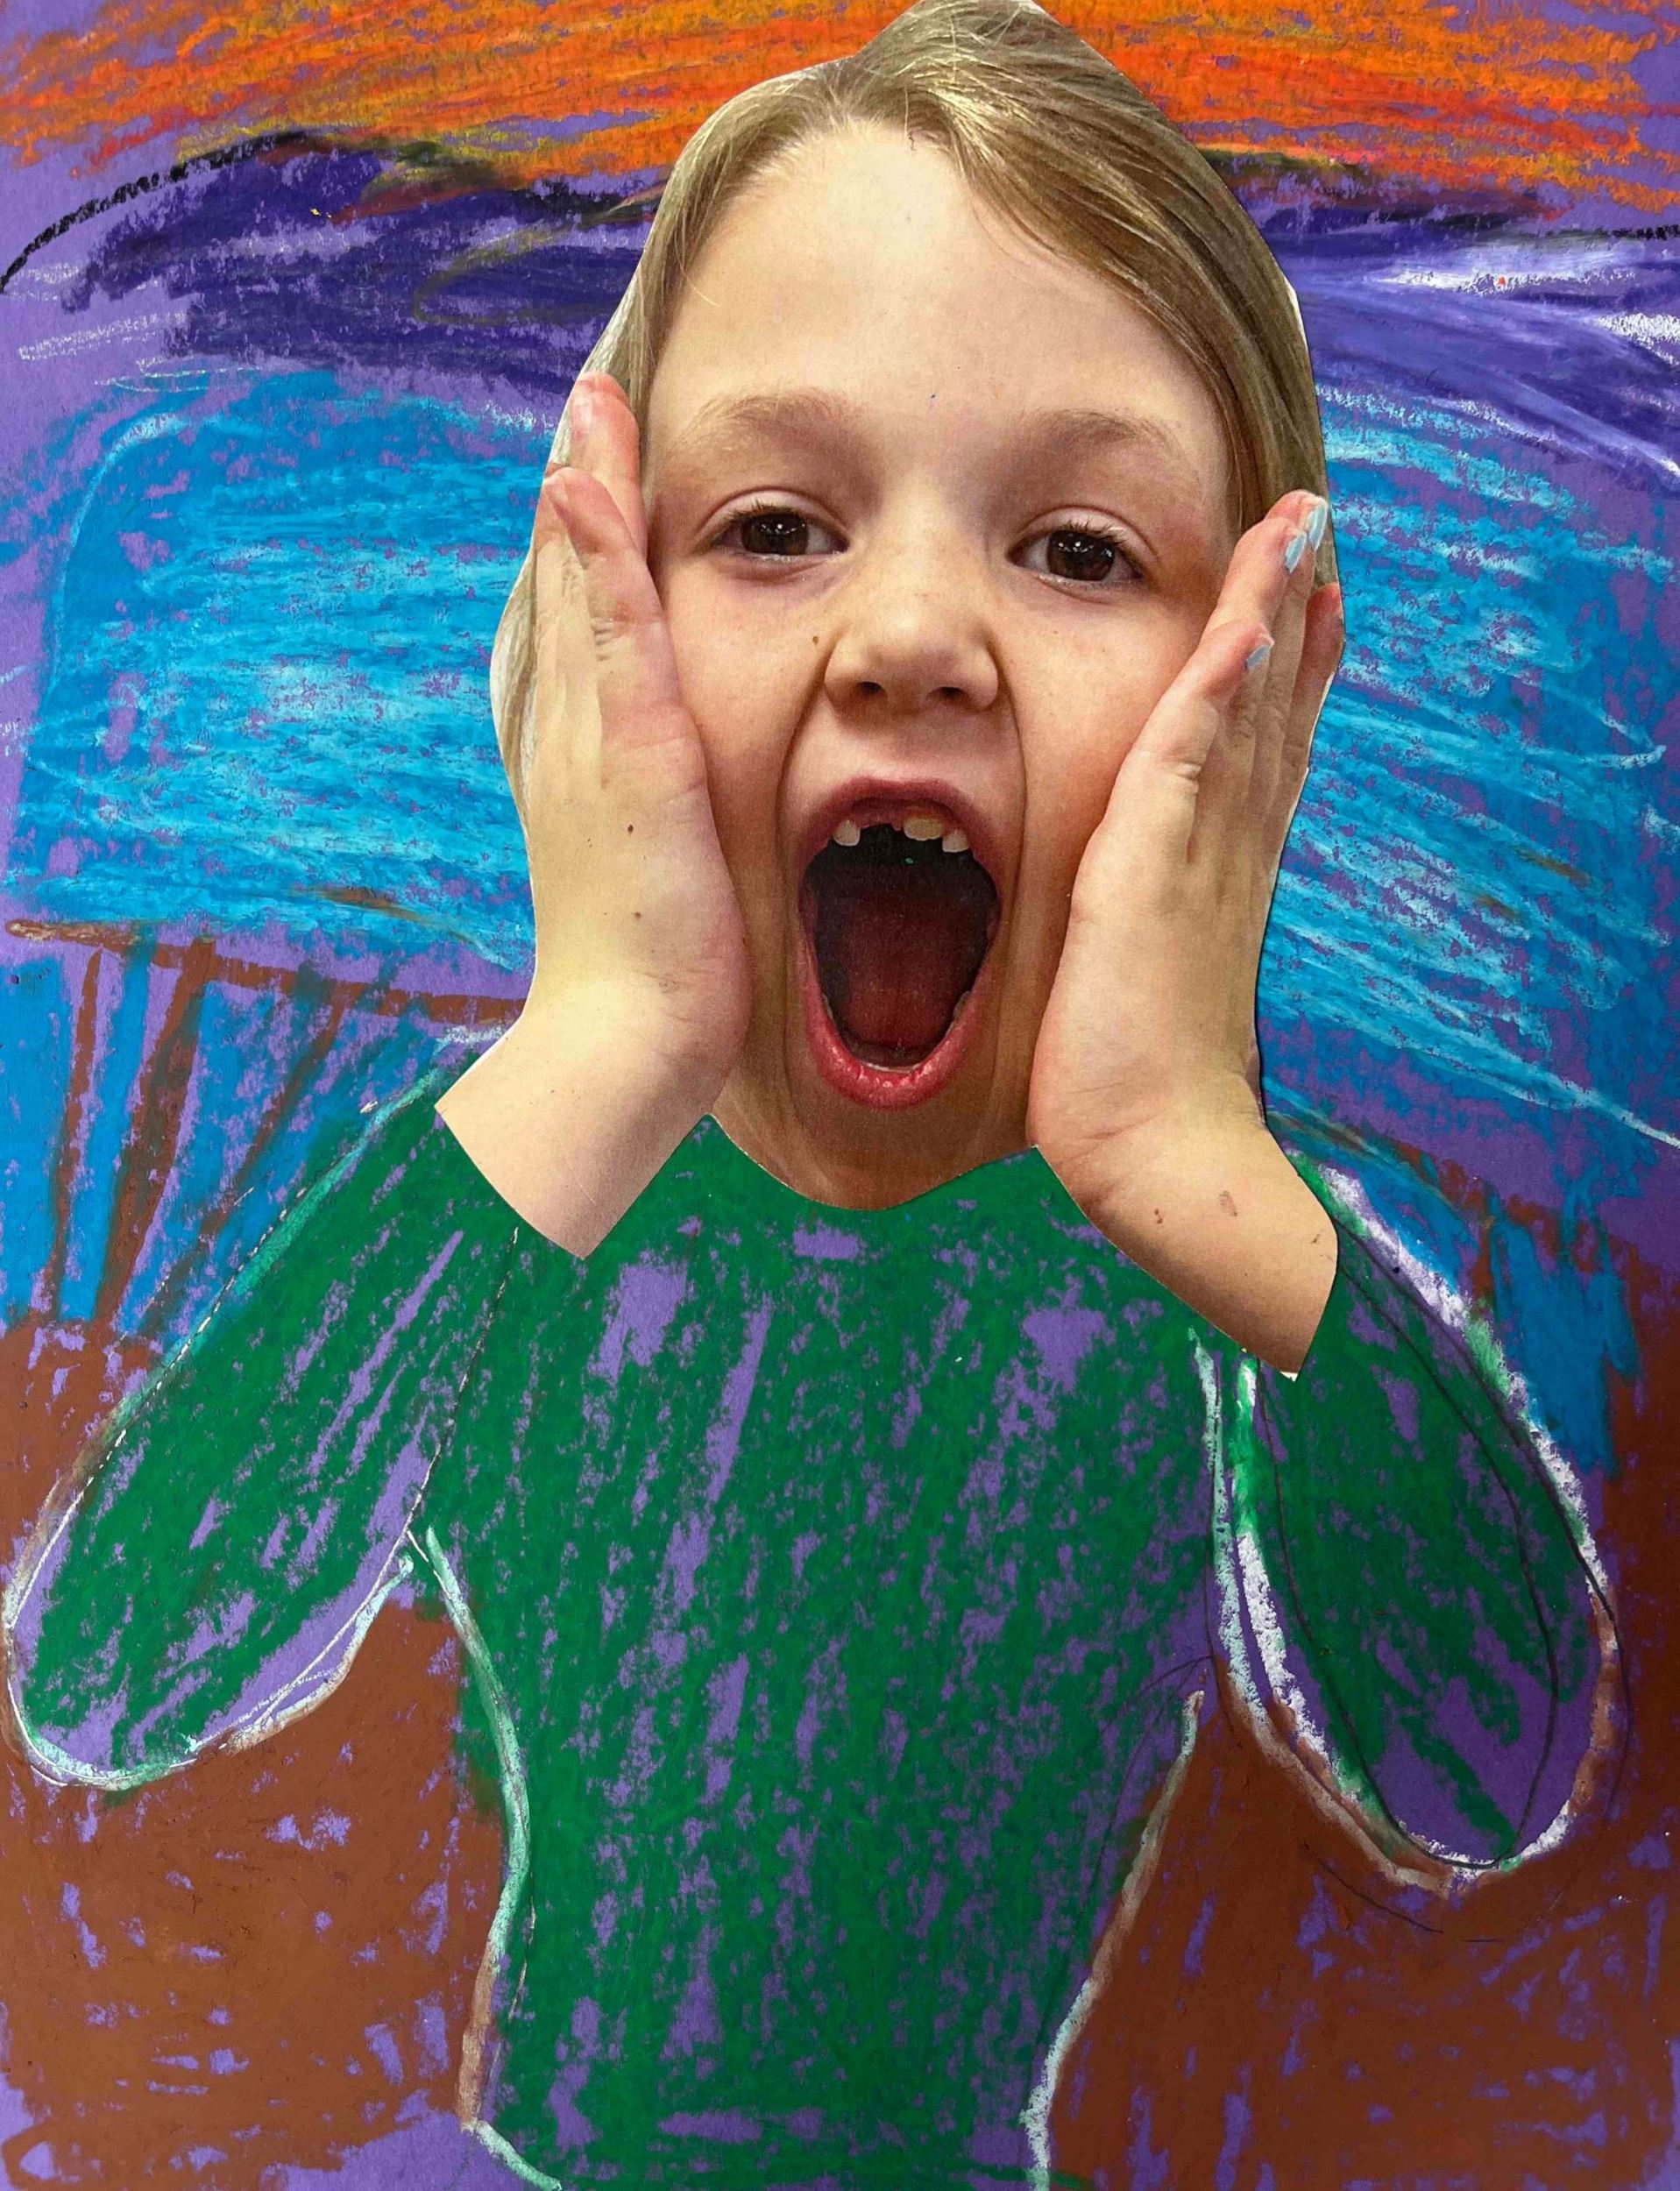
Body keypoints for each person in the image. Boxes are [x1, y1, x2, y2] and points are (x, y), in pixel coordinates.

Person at [4, 3, 1620, 2184]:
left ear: (1251, 690)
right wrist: (592, 1043)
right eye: (773, 526)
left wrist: (1187, 1158)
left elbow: (1489, 1769)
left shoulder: (1207, 1245)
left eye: (1078, 551)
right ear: (604, 627)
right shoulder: (535, 1181)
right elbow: (114, 1676)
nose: (910, 637)